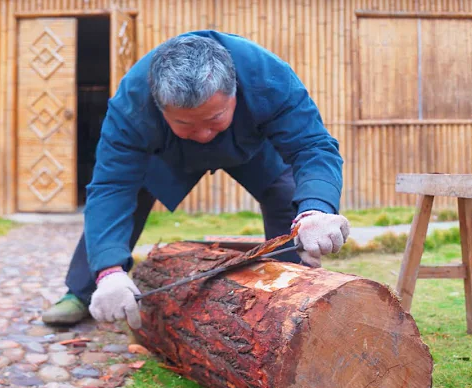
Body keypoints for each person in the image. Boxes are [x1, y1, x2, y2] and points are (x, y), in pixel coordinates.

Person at [41, 30, 350, 328]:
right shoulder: (132, 102)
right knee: (128, 197)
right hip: (169, 156)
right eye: (187, 122)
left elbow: (312, 147)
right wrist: (108, 271)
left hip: (251, 147)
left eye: (214, 118)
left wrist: (316, 209)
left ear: (235, 93)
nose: (203, 134)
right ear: (161, 108)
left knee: (287, 191)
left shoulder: (267, 78)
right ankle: (83, 291)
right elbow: (112, 186)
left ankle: (293, 291)